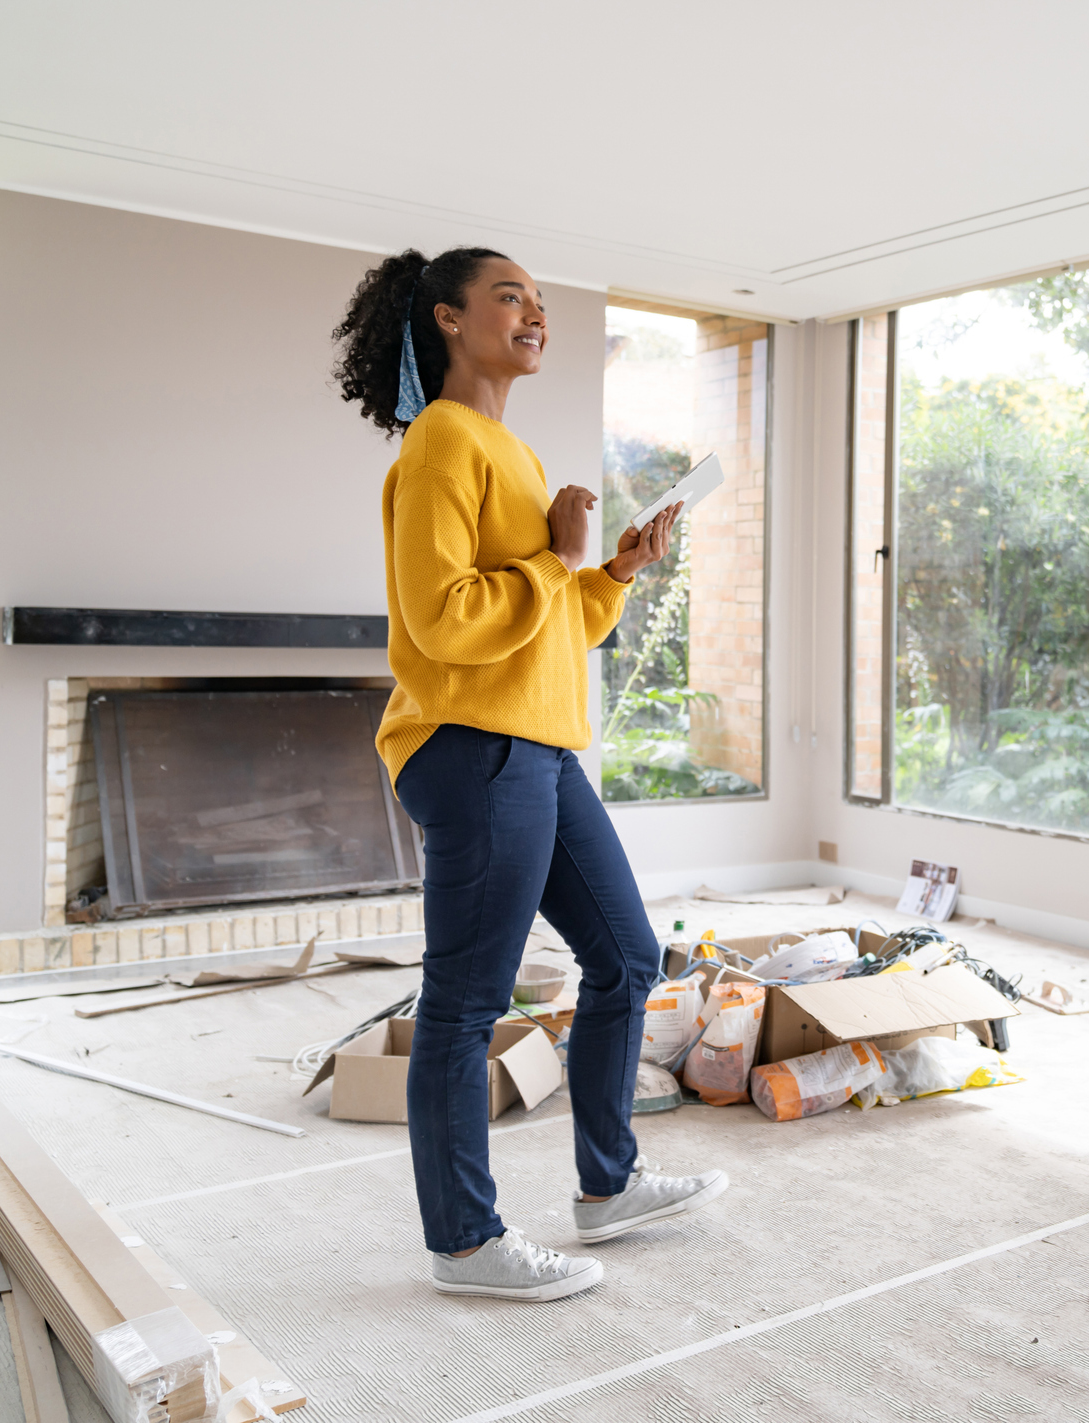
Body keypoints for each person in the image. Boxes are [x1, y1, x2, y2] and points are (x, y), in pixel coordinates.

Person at [332, 246, 726, 1301]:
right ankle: (465, 1243)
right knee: (465, 1003)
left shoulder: (506, 448)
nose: (535, 312)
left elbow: (552, 631)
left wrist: (612, 572)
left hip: (541, 746)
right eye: (512, 296)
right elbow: (442, 621)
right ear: (449, 317)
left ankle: (609, 1185)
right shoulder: (441, 443)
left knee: (628, 956)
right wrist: (555, 562)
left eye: (542, 301)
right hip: (472, 747)